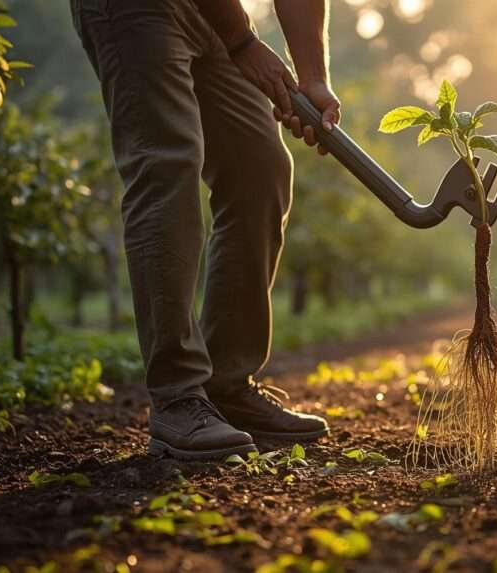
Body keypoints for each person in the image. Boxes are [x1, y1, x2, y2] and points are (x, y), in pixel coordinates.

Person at [70, 0, 341, 460]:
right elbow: (240, 38)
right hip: (134, 11)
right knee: (166, 163)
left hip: (211, 12)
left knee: (260, 168)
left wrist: (313, 77)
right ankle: (178, 396)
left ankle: (228, 386)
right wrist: (242, 41)